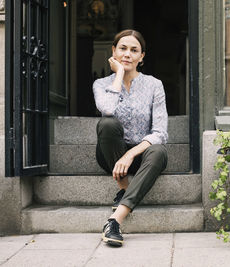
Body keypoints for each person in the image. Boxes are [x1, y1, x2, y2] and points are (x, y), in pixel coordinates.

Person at [93, 29, 168, 247]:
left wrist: (131, 153)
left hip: (141, 154)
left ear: (142, 56)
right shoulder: (101, 84)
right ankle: (125, 187)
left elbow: (160, 132)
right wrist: (118, 75)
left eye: (134, 50)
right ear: (113, 51)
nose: (127, 54)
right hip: (110, 154)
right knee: (107, 123)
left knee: (160, 151)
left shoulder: (154, 85)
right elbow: (107, 110)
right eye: (123, 48)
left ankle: (115, 221)